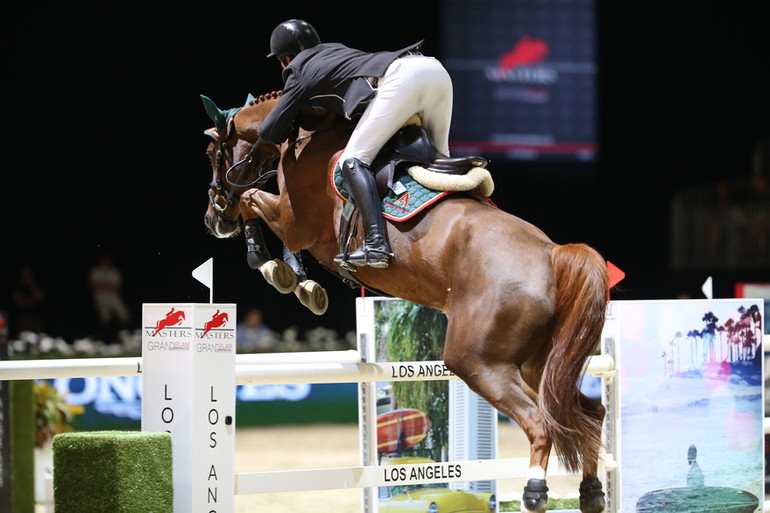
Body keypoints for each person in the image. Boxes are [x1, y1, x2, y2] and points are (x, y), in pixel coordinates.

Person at [260, 19, 455, 269]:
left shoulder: (296, 69)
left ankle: (375, 245)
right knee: (441, 162)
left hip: (401, 79)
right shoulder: (333, 50)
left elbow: (269, 131)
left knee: (351, 161)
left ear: (285, 58)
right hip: (433, 69)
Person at [88, 250, 131, 342]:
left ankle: (123, 335)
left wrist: (103, 285)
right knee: (104, 316)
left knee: (124, 314)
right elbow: (95, 286)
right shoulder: (96, 270)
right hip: (100, 296)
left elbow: (117, 286)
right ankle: (104, 338)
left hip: (113, 296)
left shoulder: (114, 271)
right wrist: (108, 286)